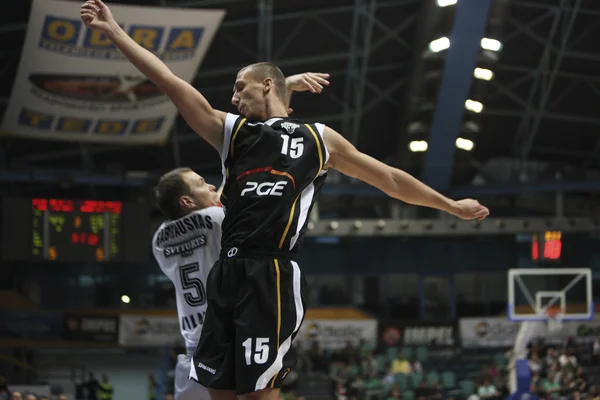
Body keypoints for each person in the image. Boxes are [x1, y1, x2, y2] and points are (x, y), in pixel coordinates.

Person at [81, 1, 490, 399]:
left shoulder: (319, 138)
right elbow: (169, 82)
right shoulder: (233, 135)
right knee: (218, 391)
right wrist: (114, 32)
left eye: (240, 88)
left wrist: (450, 205)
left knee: (259, 394)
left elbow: (389, 178)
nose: (234, 98)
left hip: (271, 271)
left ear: (266, 84)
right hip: (226, 270)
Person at [151, 74, 324, 400]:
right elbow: (247, 179)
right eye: (203, 184)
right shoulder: (219, 219)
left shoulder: (159, 241)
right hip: (227, 334)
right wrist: (281, 97)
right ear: (187, 201)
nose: (213, 187)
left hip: (193, 352)